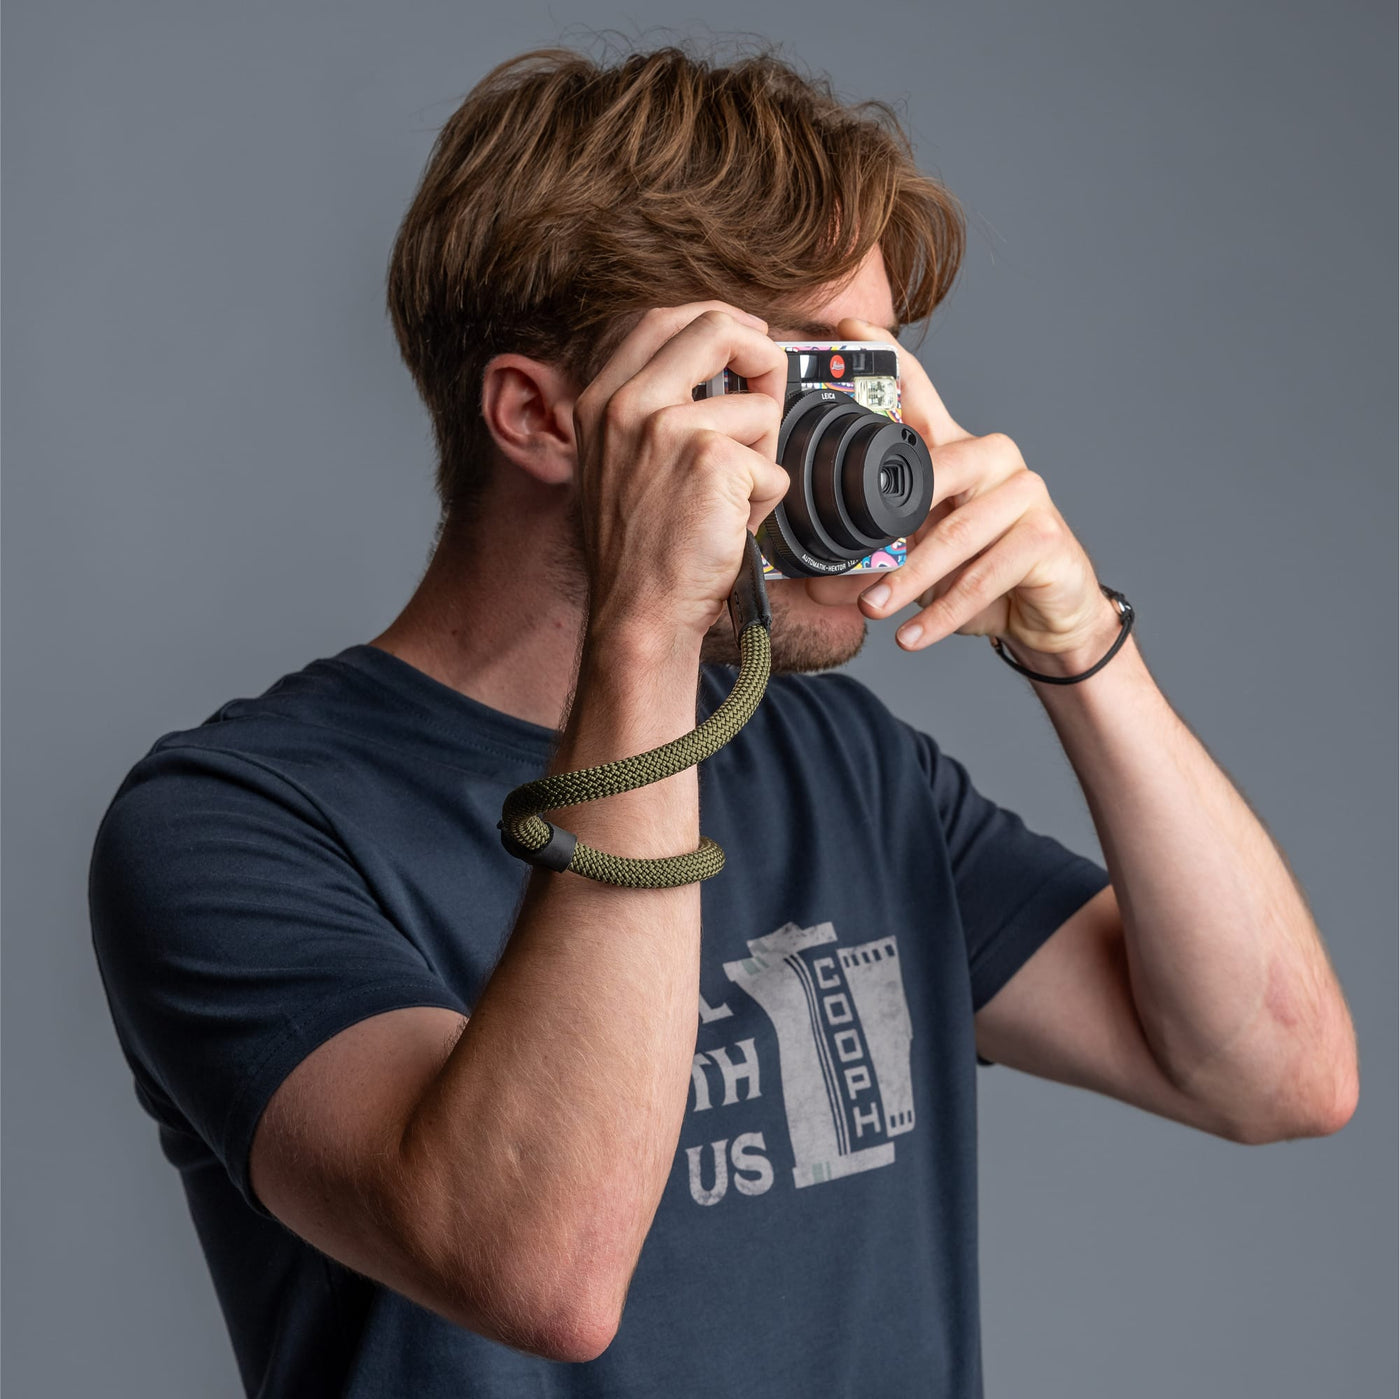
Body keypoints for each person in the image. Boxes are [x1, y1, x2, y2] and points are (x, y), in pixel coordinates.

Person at [88, 44, 1358, 1399]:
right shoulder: (236, 825)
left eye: (876, 373)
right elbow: (542, 1272)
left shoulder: (846, 765)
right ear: (540, 417)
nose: (879, 442)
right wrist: (645, 627)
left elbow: (1280, 1073)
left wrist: (1081, 645)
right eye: (792, 379)